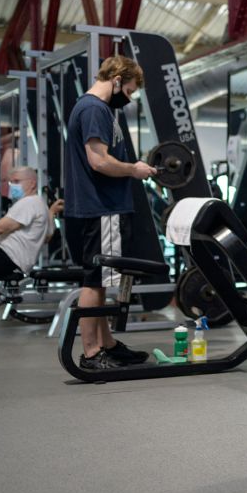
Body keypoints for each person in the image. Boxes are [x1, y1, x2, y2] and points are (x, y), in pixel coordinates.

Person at [62, 55, 157, 370]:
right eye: (128, 91)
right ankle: (91, 353)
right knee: (95, 281)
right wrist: (134, 169)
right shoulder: (94, 109)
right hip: (102, 206)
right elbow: (99, 161)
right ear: (116, 79)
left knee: (100, 281)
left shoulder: (95, 108)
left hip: (102, 206)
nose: (127, 98)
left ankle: (108, 344)